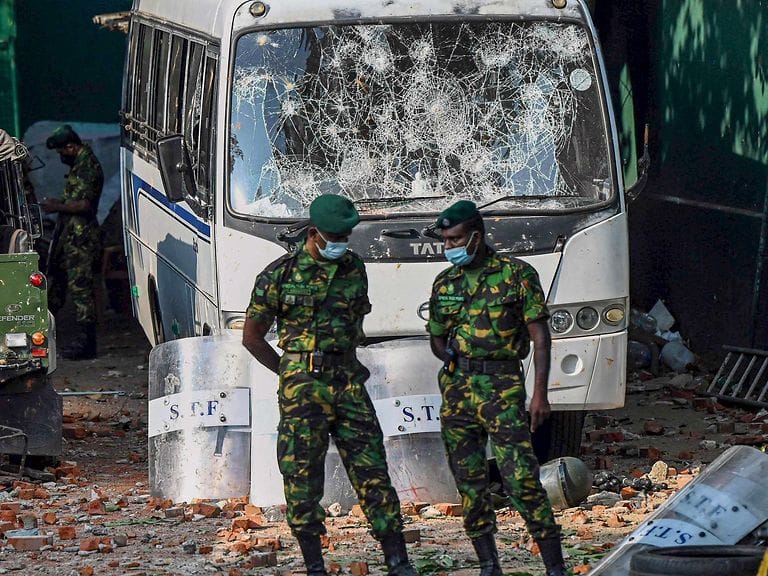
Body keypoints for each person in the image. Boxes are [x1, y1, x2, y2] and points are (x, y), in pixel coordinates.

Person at [242, 194, 416, 576]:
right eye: (335, 235)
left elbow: (356, 323)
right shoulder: (279, 275)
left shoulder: (354, 267)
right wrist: (289, 372)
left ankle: (397, 560)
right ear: (315, 232)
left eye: (346, 235)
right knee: (302, 476)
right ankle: (315, 564)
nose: (341, 242)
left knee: (373, 471)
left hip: (348, 383)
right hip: (303, 389)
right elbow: (252, 337)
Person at [426, 200, 568, 576]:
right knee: (469, 482)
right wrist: (448, 353)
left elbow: (540, 337)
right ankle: (489, 564)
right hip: (457, 392)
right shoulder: (445, 283)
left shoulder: (517, 275)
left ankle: (554, 565)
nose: (449, 247)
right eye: (445, 240)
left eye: (455, 239)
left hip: (502, 387)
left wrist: (540, 393)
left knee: (520, 478)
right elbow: (436, 337)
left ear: (476, 236)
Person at [43, 124, 104, 360]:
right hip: (70, 236)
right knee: (56, 284)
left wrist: (56, 206)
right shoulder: (80, 165)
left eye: (62, 152)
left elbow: (85, 205)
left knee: (81, 289)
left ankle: (87, 343)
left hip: (81, 238)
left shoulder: (88, 166)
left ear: (71, 147)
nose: (61, 157)